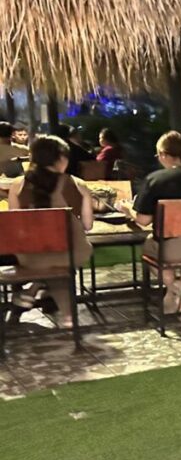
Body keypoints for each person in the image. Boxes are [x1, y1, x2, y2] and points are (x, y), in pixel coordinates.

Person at [116, 131, 181, 314]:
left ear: (163, 154)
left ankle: (172, 288)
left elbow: (143, 220)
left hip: (171, 249)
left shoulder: (156, 180)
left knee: (150, 246)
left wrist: (126, 209)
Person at [5, 135, 93, 326]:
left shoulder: (17, 185)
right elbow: (88, 225)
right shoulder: (77, 184)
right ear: (61, 159)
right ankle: (67, 316)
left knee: (48, 262)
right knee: (60, 264)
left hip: (31, 256)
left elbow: (14, 225)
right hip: (73, 253)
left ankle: (33, 289)